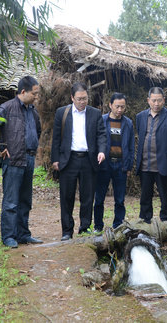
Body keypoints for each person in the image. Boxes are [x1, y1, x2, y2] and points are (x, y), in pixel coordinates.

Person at [0, 76, 43, 248]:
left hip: (29, 159)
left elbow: (37, 131)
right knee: (11, 201)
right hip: (13, 160)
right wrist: (1, 147)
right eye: (34, 94)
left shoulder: (32, 111)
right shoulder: (7, 108)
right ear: (23, 92)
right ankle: (9, 237)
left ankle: (23, 234)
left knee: (25, 200)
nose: (36, 97)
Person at [51, 82, 106, 240]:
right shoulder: (62, 113)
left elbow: (101, 134)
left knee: (87, 197)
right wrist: (55, 159)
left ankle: (84, 228)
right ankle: (67, 231)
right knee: (66, 197)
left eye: (85, 99)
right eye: (79, 99)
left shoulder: (95, 113)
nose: (83, 102)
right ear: (72, 98)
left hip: (89, 160)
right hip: (69, 160)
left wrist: (102, 151)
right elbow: (56, 138)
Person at [136, 87, 167, 223]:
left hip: (163, 162)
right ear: (148, 100)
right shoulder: (140, 117)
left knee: (165, 195)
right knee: (145, 195)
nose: (156, 104)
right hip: (145, 163)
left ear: (164, 100)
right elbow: (141, 136)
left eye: (159, 100)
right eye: (153, 101)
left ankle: (166, 221)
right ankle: (145, 220)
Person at [93, 93, 134, 231]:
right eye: (117, 106)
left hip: (121, 165)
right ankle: (98, 226)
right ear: (110, 105)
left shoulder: (128, 123)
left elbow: (131, 146)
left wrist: (128, 166)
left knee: (120, 199)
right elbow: (96, 142)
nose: (120, 110)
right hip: (104, 164)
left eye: (123, 107)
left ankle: (118, 225)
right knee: (99, 199)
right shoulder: (102, 120)